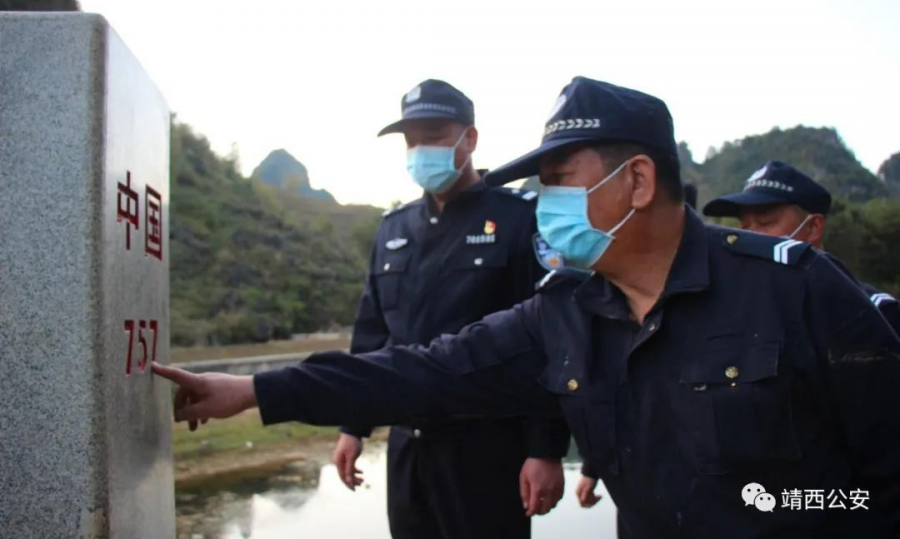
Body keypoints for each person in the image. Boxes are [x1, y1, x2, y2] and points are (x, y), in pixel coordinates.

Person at [154, 77, 900, 539]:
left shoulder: (797, 287)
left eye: (558, 180)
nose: (544, 205)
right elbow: (420, 372)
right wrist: (254, 390)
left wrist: (777, 508)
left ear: (636, 181)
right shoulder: (565, 316)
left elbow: (885, 475)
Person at [331, 79, 569, 539]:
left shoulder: (521, 219)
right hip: (408, 449)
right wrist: (352, 425)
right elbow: (372, 335)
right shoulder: (393, 230)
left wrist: (545, 449)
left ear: (470, 139)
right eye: (412, 140)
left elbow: (551, 341)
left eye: (435, 135)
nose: (422, 149)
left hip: (488, 449)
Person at [702, 160, 900, 335]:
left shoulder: (875, 314)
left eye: (765, 222)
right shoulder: (730, 315)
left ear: (813, 227)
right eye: (744, 227)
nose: (749, 237)